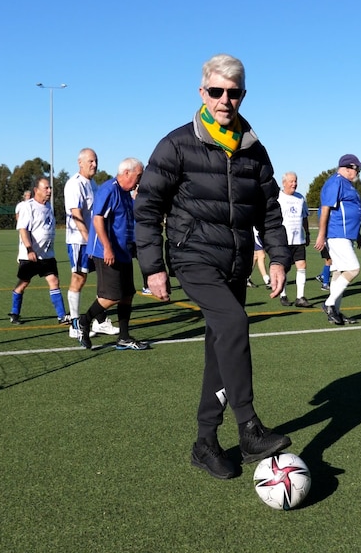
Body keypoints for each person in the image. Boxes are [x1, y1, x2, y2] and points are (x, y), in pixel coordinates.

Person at [134, 53, 292, 480]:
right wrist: (153, 267)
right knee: (234, 323)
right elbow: (147, 208)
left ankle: (205, 443)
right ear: (202, 92)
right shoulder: (177, 143)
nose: (225, 99)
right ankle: (249, 427)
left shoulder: (254, 150)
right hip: (193, 255)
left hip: (237, 261)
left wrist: (279, 258)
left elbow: (270, 210)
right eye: (217, 91)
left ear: (242, 95)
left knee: (218, 351)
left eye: (233, 92)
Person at [77, 158, 149, 350]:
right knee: (112, 296)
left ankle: (124, 337)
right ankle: (84, 320)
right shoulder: (109, 189)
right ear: (127, 173)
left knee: (127, 295)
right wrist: (107, 247)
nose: (140, 179)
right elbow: (98, 219)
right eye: (138, 175)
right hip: (105, 251)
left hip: (123, 250)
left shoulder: (127, 193)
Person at [64, 148, 118, 339]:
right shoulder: (74, 184)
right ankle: (75, 324)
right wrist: (88, 240)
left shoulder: (93, 184)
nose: (94, 164)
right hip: (80, 242)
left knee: (102, 279)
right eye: (91, 161)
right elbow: (76, 215)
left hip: (93, 242)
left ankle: (100, 321)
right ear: (80, 162)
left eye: (96, 161)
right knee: (78, 279)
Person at [9, 176, 70, 325]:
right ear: (36, 190)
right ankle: (14, 312)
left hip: (47, 254)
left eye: (50, 188)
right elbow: (23, 229)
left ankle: (62, 316)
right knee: (23, 284)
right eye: (46, 188)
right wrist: (29, 249)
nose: (49, 191)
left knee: (54, 281)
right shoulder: (27, 206)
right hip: (30, 255)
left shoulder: (49, 206)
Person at [315, 154, 361, 325]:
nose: (358, 171)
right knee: (353, 269)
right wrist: (321, 235)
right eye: (356, 168)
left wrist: (357, 235)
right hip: (337, 234)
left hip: (346, 235)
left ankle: (335, 312)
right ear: (347, 167)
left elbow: (352, 210)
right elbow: (325, 209)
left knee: (339, 272)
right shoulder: (335, 181)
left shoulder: (348, 185)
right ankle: (329, 304)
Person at [276, 172, 313, 307]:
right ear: (284, 183)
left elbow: (304, 217)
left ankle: (300, 297)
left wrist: (307, 233)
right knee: (284, 269)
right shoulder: (278, 198)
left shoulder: (300, 198)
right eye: (291, 181)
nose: (294, 184)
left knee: (302, 265)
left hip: (298, 240)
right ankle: (283, 295)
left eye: (295, 181)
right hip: (283, 240)